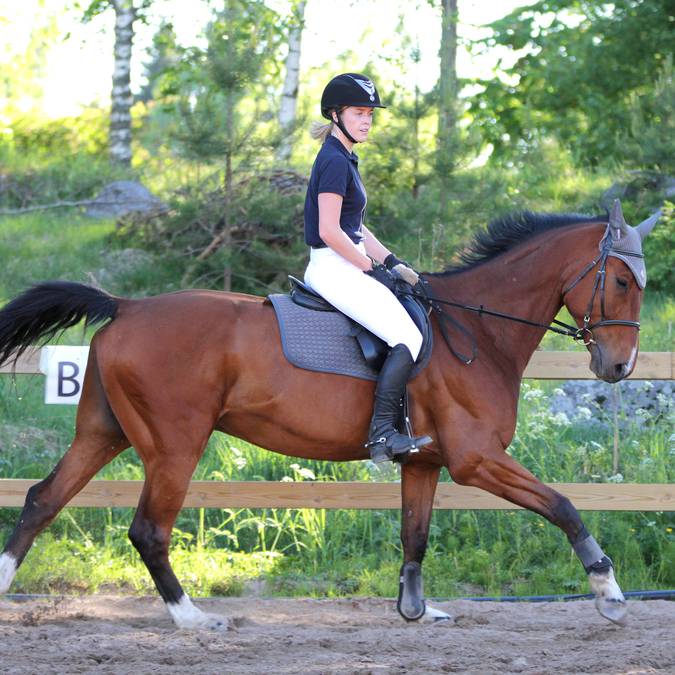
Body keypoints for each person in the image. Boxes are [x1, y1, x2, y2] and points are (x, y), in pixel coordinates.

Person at [303, 72, 432, 463]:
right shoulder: (333, 160)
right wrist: (371, 269)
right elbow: (328, 230)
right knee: (408, 339)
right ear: (336, 114)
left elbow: (354, 226)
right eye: (359, 113)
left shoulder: (344, 157)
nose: (366, 121)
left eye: (370, 115)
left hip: (344, 262)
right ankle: (381, 438)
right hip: (332, 267)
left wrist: (393, 261)